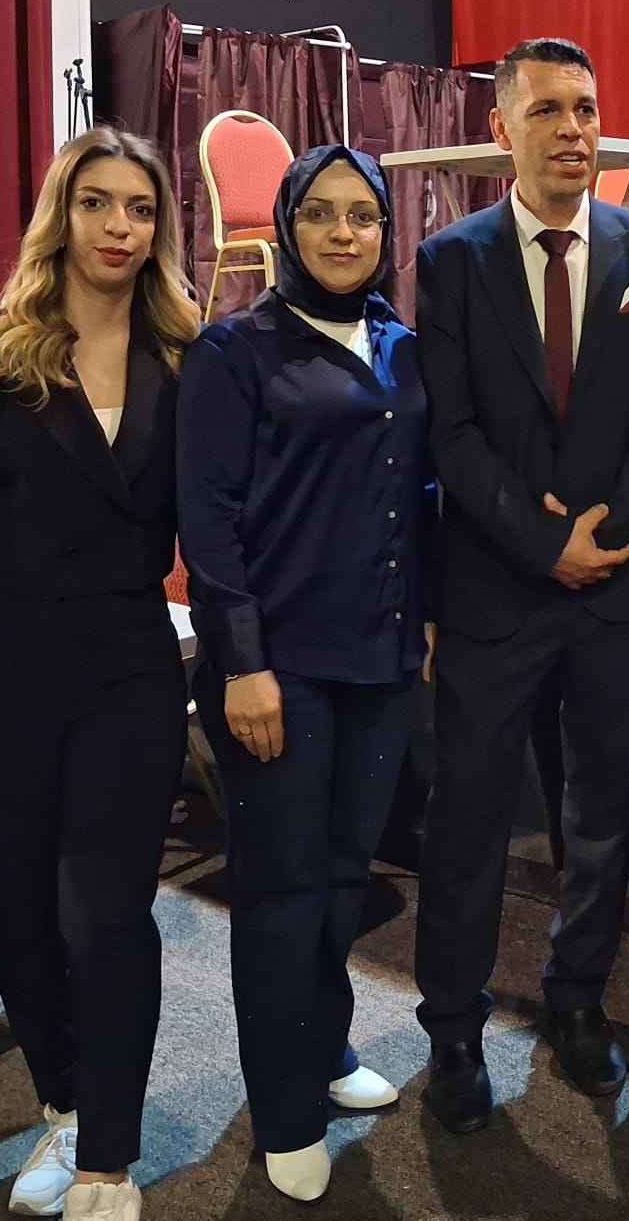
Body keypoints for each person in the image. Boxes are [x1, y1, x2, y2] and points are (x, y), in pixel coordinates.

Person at [0, 128, 200, 1221]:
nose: (120, 227)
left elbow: (219, 522)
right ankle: (64, 1106)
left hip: (128, 668)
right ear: (61, 215)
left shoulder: (188, 354)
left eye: (141, 209)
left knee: (103, 916)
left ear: (161, 228)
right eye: (98, 203)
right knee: (20, 913)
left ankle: (108, 1158)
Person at [411, 37, 629, 1132]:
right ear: (501, 129)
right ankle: (453, 1029)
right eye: (548, 110)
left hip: (616, 585)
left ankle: (578, 1003)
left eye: (587, 107)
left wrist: (602, 534)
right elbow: (453, 431)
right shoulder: (450, 259)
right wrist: (542, 542)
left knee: (601, 817)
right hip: (496, 589)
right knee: (469, 822)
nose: (574, 129)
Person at [176, 146, 434, 1201]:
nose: (342, 233)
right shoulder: (235, 350)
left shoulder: (403, 346)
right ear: (286, 226)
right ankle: (284, 1109)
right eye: (320, 214)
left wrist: (426, 619)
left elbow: (417, 497)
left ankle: (323, 1049)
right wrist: (242, 662)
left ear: (385, 232)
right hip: (278, 669)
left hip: (381, 659)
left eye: (362, 216)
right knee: (282, 889)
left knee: (341, 877)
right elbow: (208, 523)